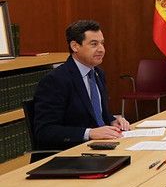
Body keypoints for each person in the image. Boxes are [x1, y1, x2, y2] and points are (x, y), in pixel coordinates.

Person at [32, 20, 130, 150]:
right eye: (94, 44)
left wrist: (113, 120)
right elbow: (45, 131)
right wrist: (89, 133)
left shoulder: (98, 73)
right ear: (75, 46)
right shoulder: (55, 80)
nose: (101, 49)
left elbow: (97, 115)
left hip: (103, 146)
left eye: (102, 43)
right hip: (72, 152)